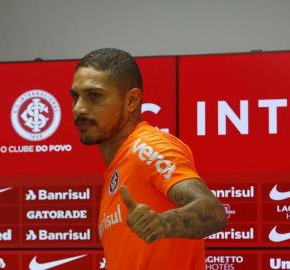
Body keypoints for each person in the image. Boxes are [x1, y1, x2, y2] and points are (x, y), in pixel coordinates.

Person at [70, 48, 227, 270]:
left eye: (94, 96)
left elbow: (212, 211)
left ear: (132, 101)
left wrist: (164, 223)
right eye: (75, 97)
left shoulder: (147, 147)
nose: (79, 108)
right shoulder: (118, 167)